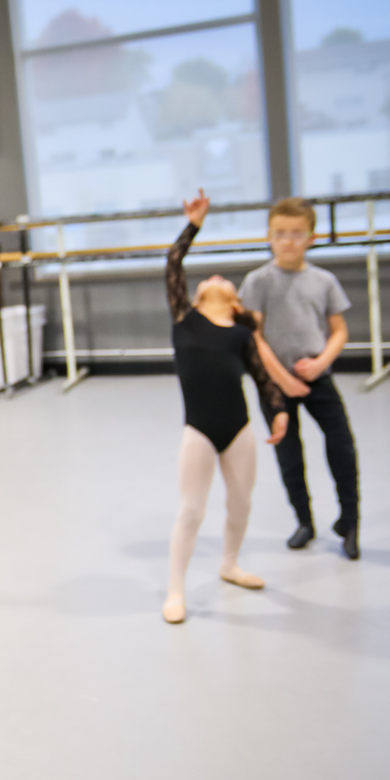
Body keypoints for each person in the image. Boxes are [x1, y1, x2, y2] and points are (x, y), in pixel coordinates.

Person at [162, 193, 290, 625]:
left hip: (238, 430)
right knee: (191, 510)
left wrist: (278, 412)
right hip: (198, 430)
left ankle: (229, 564)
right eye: (209, 278)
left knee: (240, 503)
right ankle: (175, 589)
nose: (215, 276)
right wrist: (194, 225)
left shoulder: (240, 332)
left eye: (224, 278)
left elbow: (262, 378)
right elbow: (173, 262)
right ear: (196, 297)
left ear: (236, 302)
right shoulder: (184, 318)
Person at [238, 198, 361, 558]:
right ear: (269, 237)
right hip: (276, 384)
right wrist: (283, 379)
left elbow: (338, 331)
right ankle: (304, 520)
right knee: (289, 454)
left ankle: (350, 522)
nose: (288, 241)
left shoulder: (324, 281)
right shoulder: (258, 281)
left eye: (296, 234)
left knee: (341, 445)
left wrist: (321, 362)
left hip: (317, 376)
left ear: (311, 236)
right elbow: (254, 338)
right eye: (280, 234)